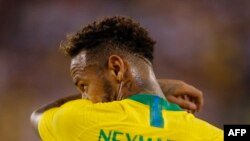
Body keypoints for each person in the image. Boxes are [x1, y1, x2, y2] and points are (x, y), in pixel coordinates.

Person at [31, 16, 223, 141]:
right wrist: (155, 89)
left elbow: (37, 116)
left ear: (116, 68)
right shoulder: (207, 135)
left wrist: (161, 86)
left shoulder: (78, 121)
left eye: (84, 85)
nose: (84, 97)